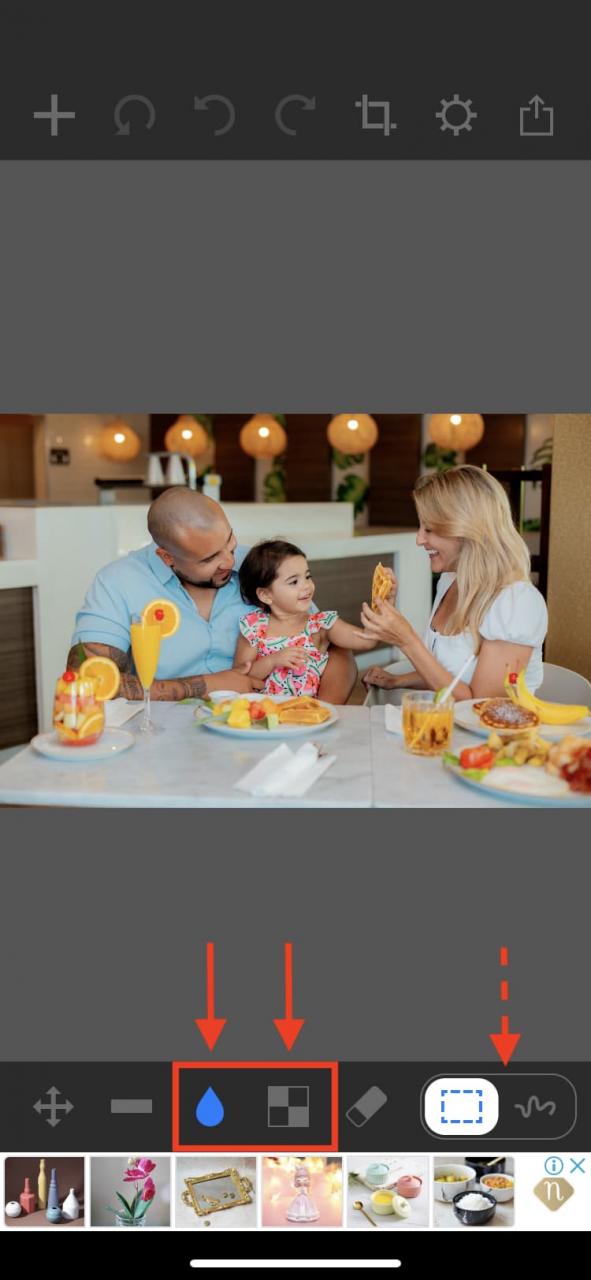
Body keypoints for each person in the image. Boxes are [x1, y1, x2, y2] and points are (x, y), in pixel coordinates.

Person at [67, 488, 357, 702]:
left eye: (229, 543)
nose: (230, 562)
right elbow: (86, 681)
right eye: (209, 559)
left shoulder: (262, 566)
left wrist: (316, 715)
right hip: (163, 739)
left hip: (265, 726)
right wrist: (207, 684)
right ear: (167, 557)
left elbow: (335, 649)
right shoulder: (118, 582)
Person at [361, 465, 548, 701]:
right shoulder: (450, 581)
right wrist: (397, 680)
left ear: (467, 529)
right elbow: (456, 673)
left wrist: (407, 640)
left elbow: (480, 706)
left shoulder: (516, 603)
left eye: (429, 529)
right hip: (441, 721)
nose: (419, 539)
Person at [235, 539, 385, 697]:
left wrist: (384, 602)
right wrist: (271, 661)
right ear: (266, 595)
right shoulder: (254, 627)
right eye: (294, 582)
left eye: (307, 576)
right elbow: (239, 677)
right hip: (263, 711)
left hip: (308, 711)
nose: (306, 585)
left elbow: (367, 641)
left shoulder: (321, 625)